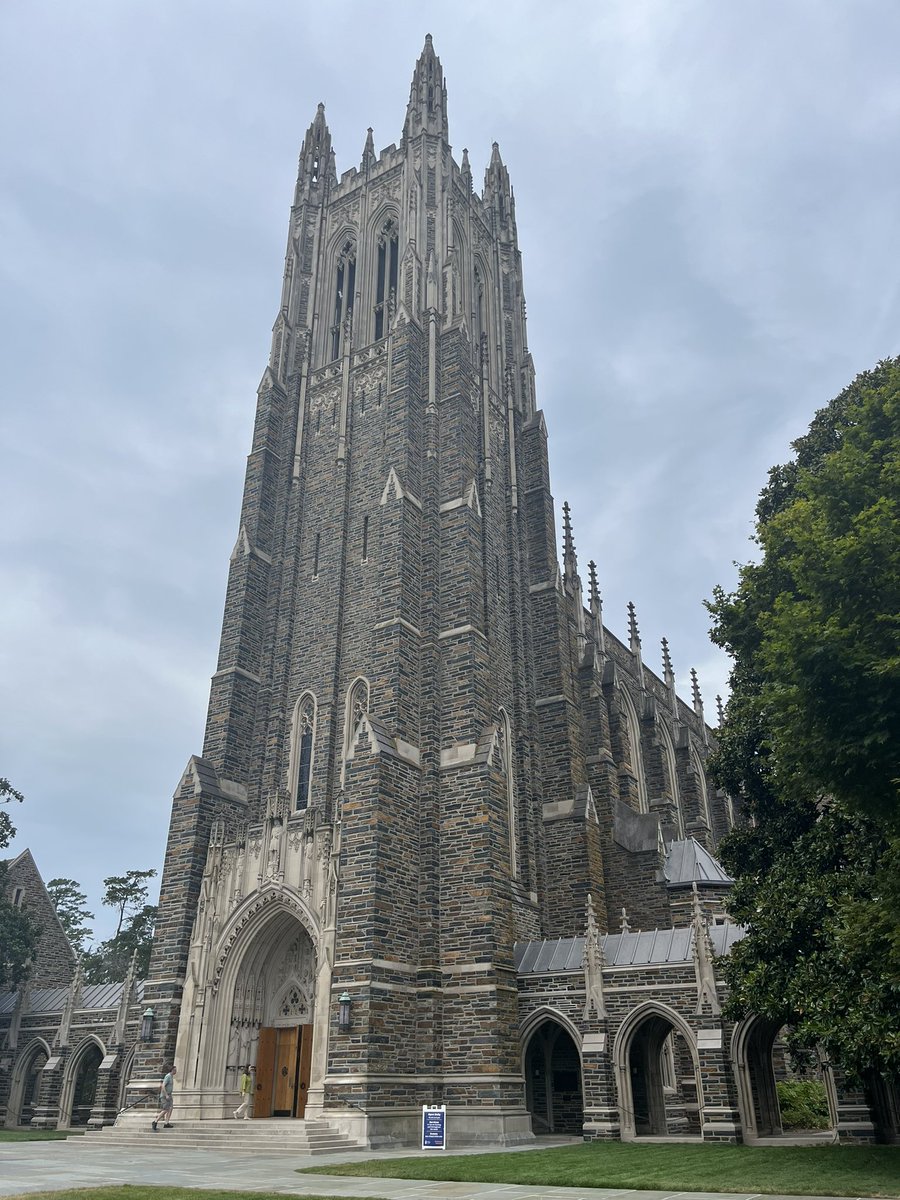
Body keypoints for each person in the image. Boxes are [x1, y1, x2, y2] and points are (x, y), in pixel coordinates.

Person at [151, 1065, 176, 1131]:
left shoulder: (171, 1076)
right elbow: (163, 1086)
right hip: (165, 1096)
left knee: (170, 1108)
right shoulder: (168, 1076)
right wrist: (166, 1095)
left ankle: (166, 1123)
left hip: (169, 1095)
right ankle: (155, 1121)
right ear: (172, 1070)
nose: (176, 1071)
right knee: (166, 1109)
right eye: (175, 1070)